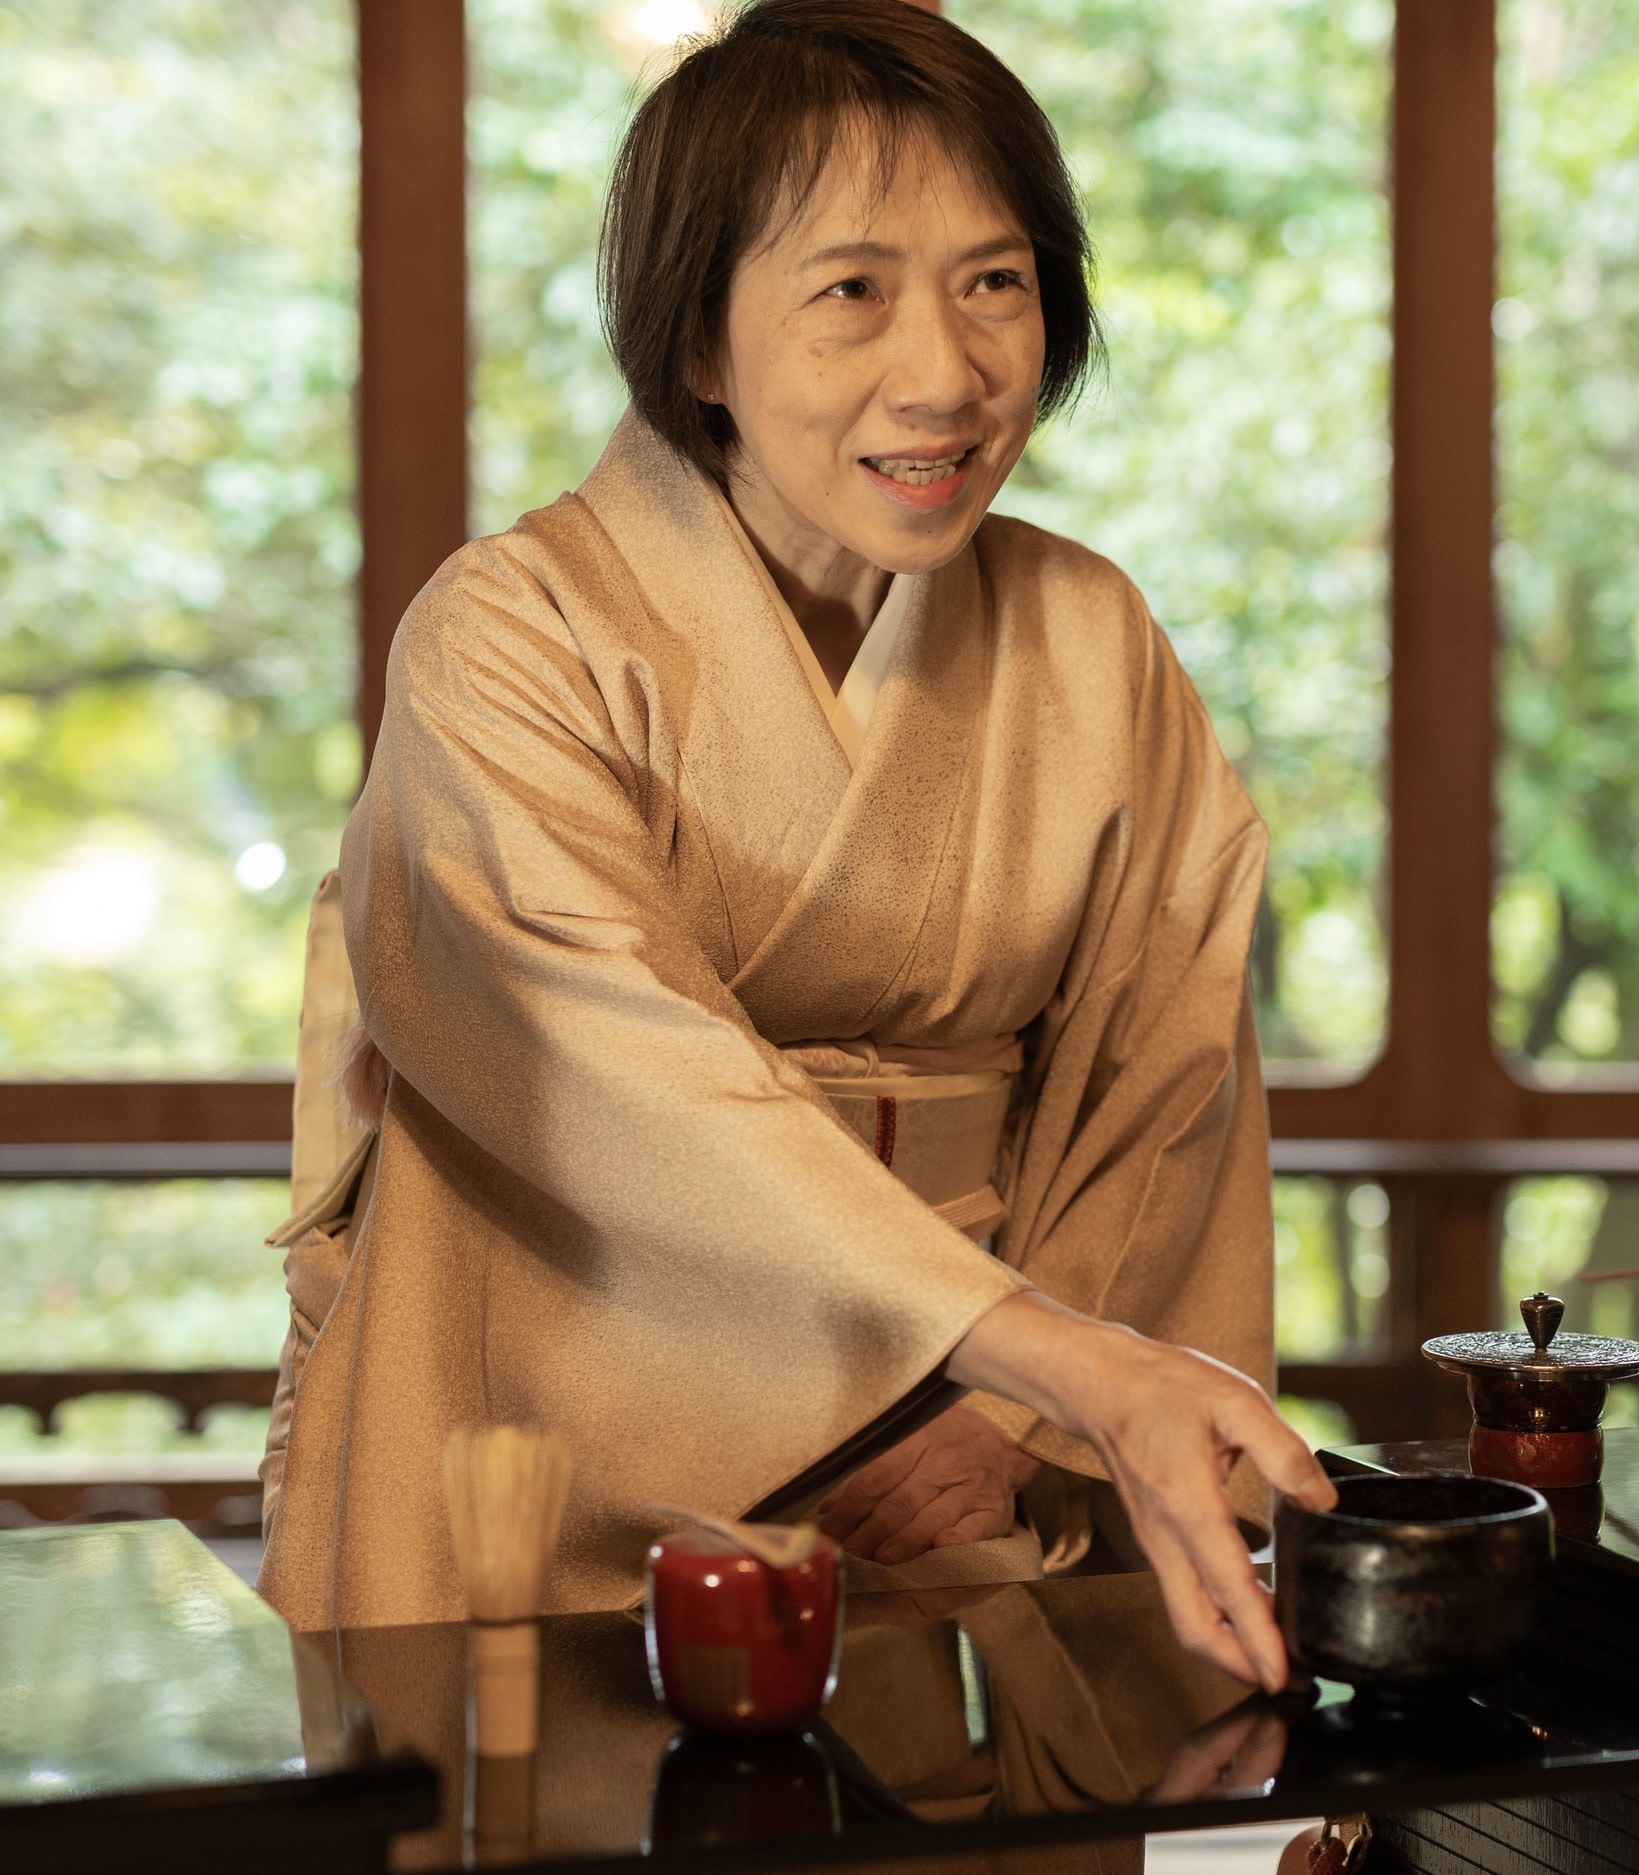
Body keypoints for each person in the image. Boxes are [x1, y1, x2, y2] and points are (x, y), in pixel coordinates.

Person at [255, 0, 1334, 1689]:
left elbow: (1168, 1075)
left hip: (961, 1479)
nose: (951, 371)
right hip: (548, 1458)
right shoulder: (511, 635)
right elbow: (610, 1075)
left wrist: (1002, 1415)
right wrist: (1047, 1360)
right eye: (853, 292)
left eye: (997, 281)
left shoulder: (1089, 638)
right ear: (698, 341)